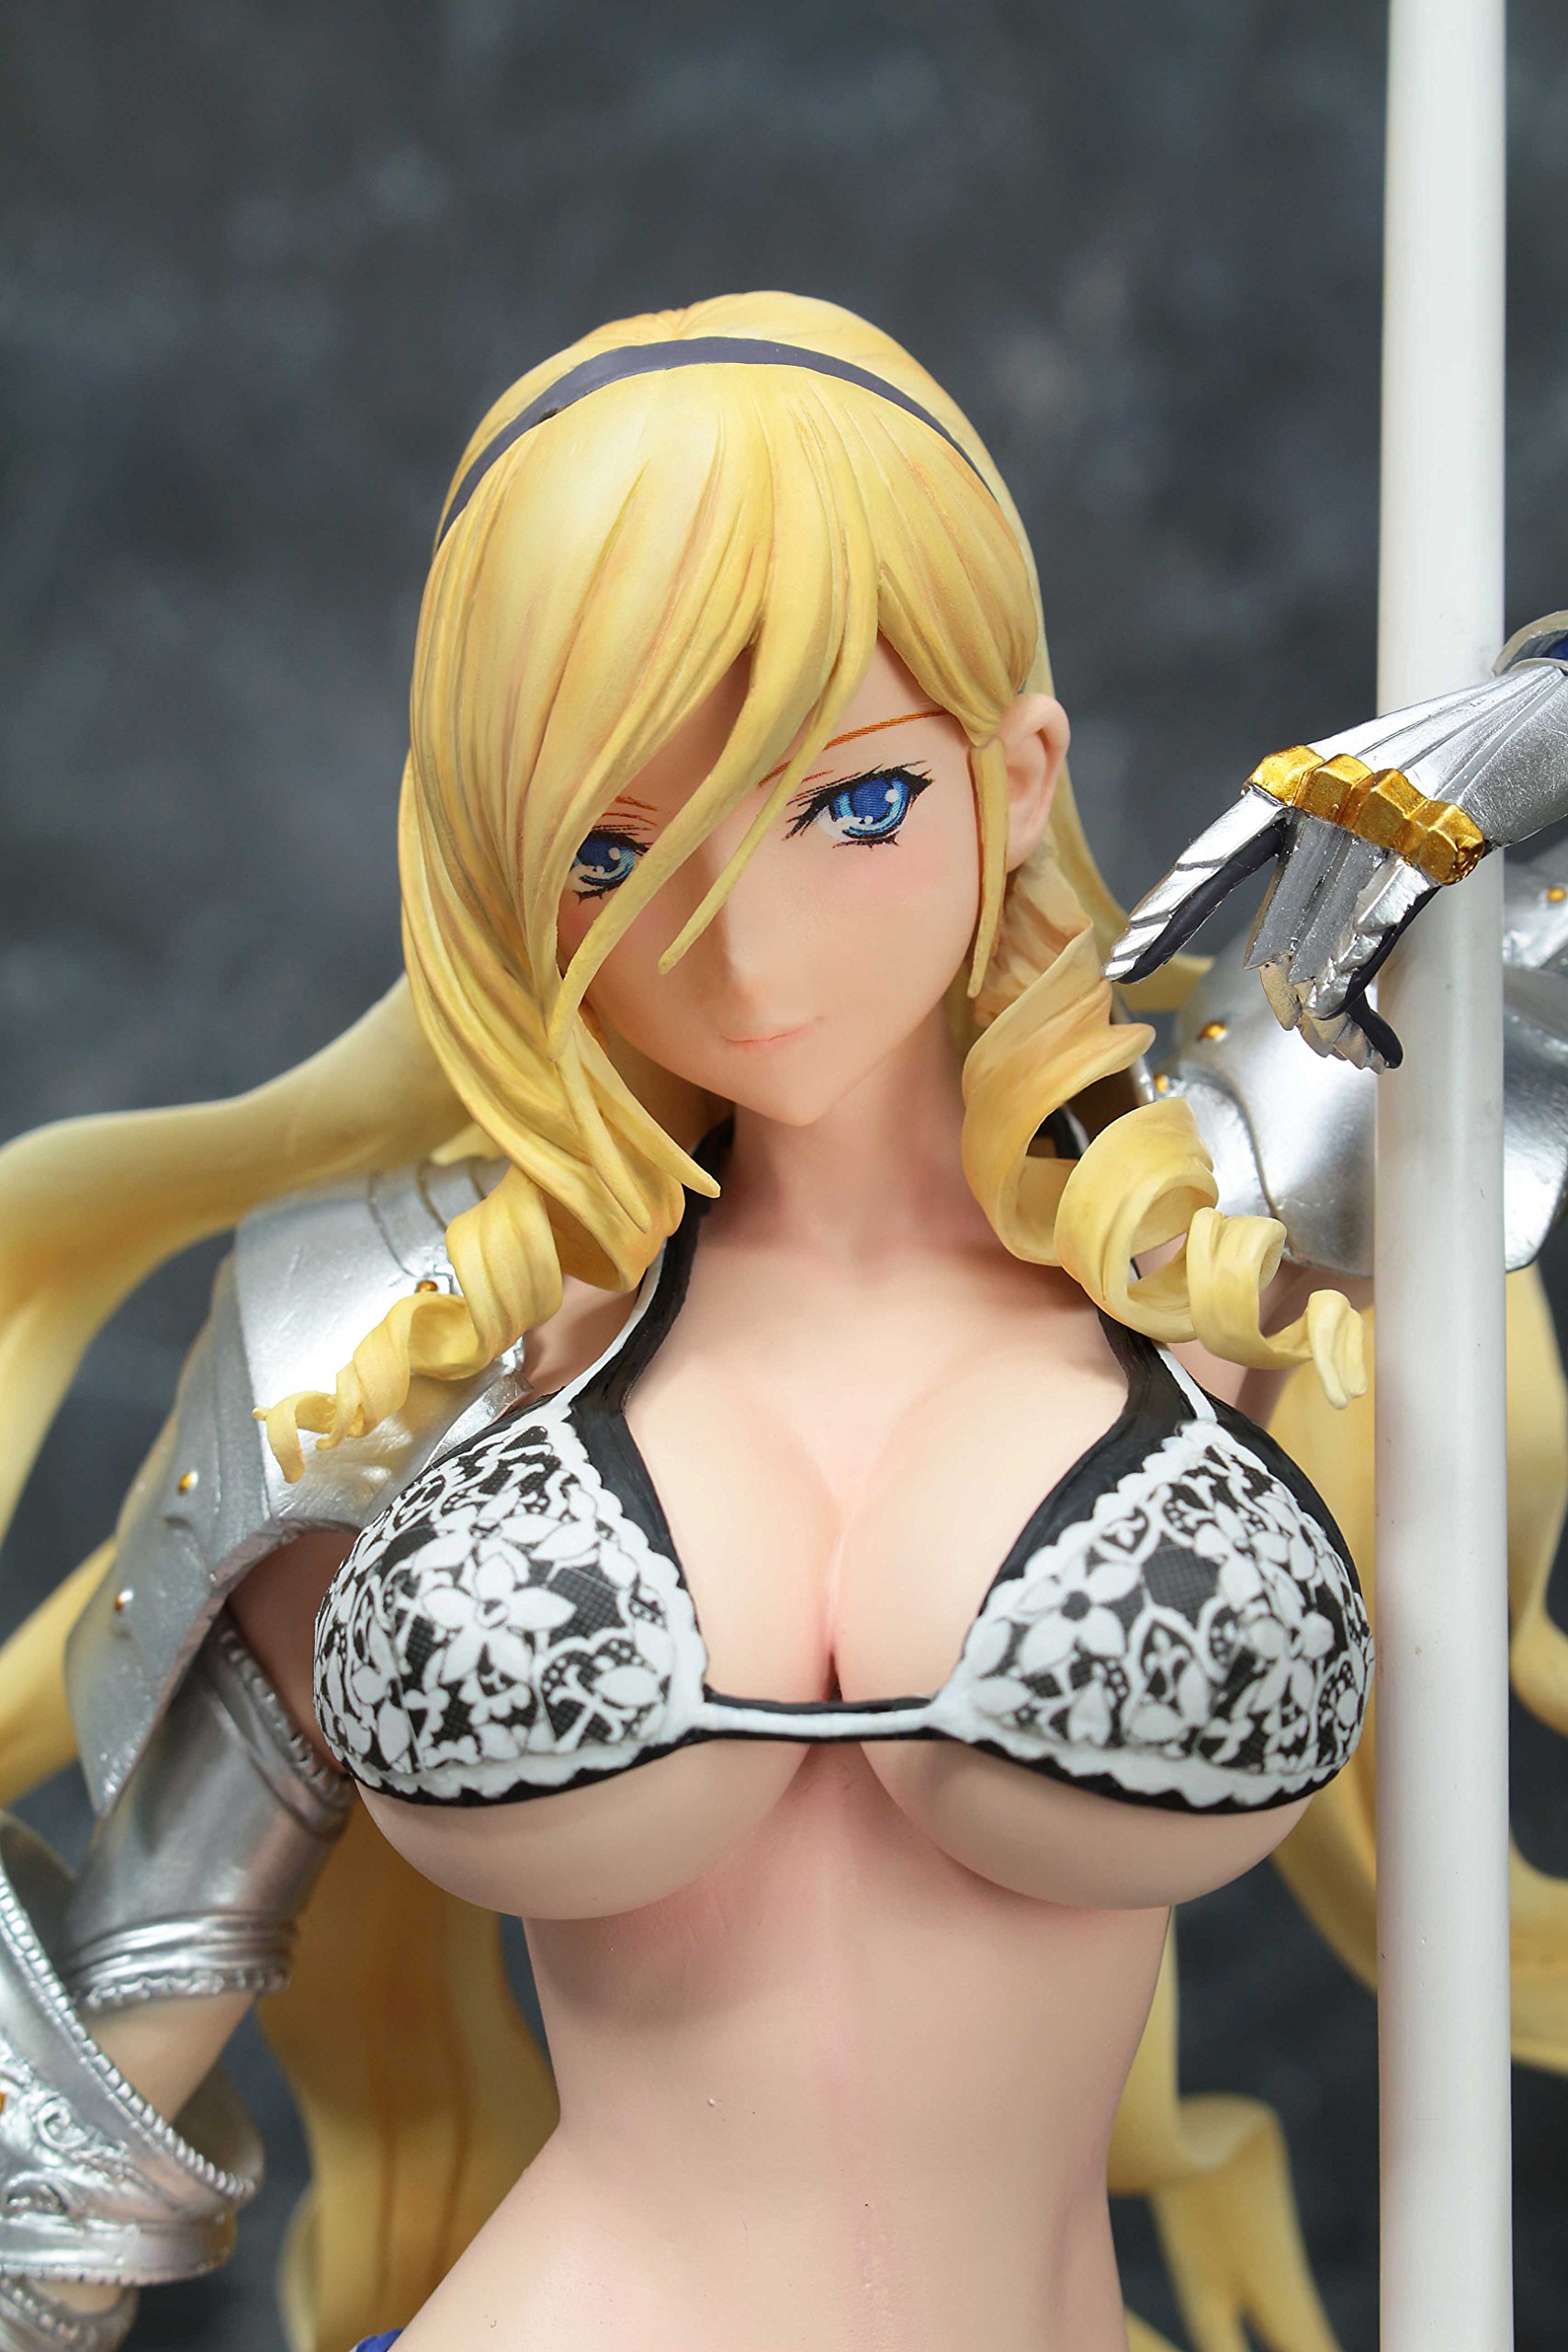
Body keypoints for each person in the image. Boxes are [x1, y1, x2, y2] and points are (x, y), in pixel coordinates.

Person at [0, 292, 1561, 2352]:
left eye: (851, 806)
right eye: (612, 847)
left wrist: (1505, 756)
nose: (740, 950)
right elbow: (89, 2087)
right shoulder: (419, 1336)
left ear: (1018, 773)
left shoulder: (1215, 1253)